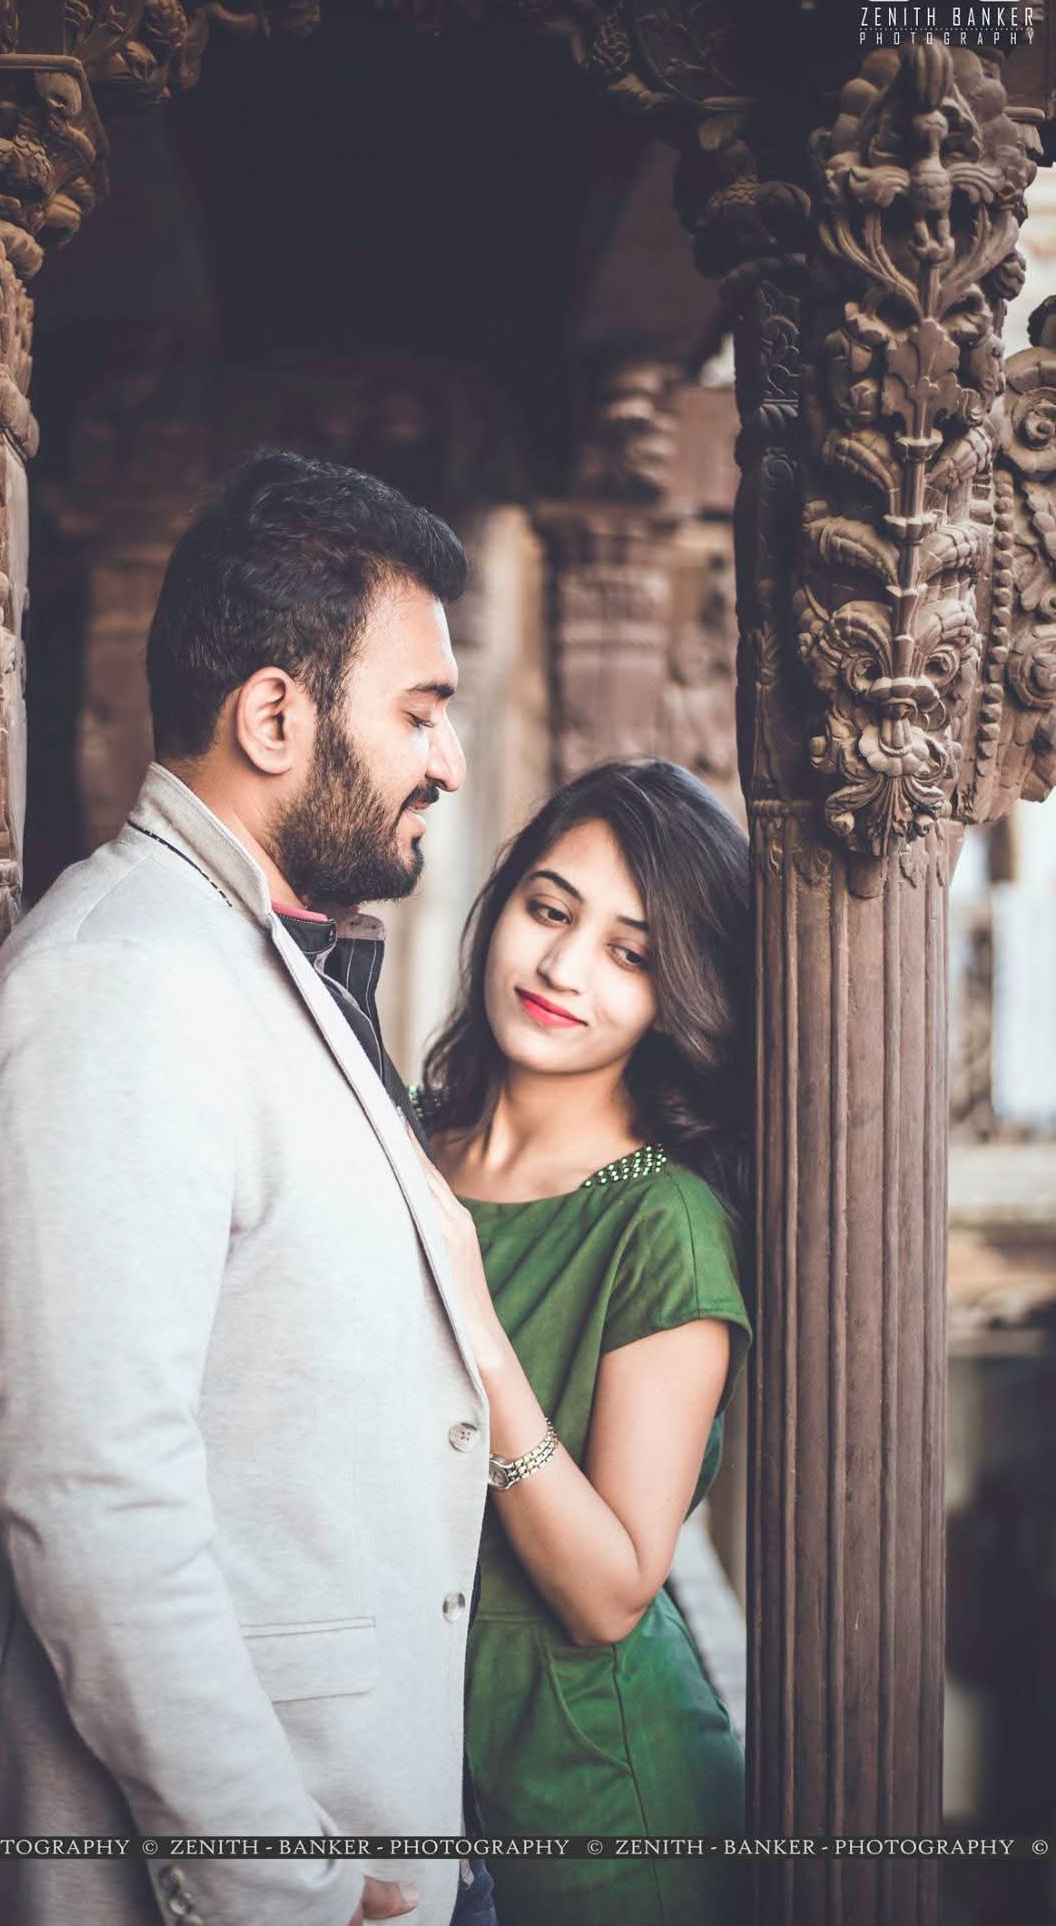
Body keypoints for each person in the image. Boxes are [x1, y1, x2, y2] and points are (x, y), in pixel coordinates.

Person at [0, 451, 496, 1926]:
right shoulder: (117, 985)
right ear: (272, 714)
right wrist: (274, 1883)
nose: (446, 761)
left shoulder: (232, 944)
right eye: (420, 712)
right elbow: (90, 1493)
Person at [407, 758, 754, 1925]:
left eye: (629, 950)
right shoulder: (403, 1142)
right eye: (548, 910)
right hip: (397, 1781)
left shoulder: (664, 1220)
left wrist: (483, 1344)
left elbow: (610, 1592)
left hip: (606, 1815)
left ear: (677, 992)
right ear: (500, 902)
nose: (561, 967)